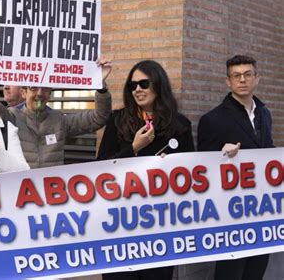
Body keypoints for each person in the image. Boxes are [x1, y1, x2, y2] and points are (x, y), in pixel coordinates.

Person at [97, 60, 195, 280]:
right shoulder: (118, 120)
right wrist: (133, 148)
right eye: (132, 86)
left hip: (160, 226)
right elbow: (102, 167)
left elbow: (190, 174)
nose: (138, 90)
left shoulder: (180, 125)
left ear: (158, 85)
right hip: (122, 223)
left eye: (143, 83)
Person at [197, 55, 273, 280]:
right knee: (230, 274)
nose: (243, 80)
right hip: (231, 216)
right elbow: (201, 169)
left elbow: (266, 152)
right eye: (236, 76)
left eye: (248, 74)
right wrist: (221, 154)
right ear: (228, 82)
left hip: (262, 211)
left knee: (256, 272)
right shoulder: (212, 120)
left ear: (257, 79)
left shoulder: (264, 114)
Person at [0, 40, 112, 169]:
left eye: (45, 89)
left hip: (50, 188)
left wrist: (100, 86)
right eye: (33, 88)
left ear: (50, 94)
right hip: (21, 187)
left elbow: (98, 118)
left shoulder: (59, 120)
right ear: (23, 92)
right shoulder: (12, 116)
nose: (39, 93)